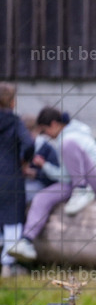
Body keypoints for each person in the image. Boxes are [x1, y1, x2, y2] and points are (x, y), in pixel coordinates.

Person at [8, 108, 96, 264]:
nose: (46, 136)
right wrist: (44, 167)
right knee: (42, 197)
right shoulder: (62, 140)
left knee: (68, 143)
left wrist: (80, 185)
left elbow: (87, 168)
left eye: (45, 131)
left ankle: (81, 191)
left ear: (54, 124)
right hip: (75, 182)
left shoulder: (71, 137)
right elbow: (64, 175)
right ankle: (26, 241)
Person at [0, 84, 34, 277]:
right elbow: (29, 144)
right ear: (13, 102)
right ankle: (8, 265)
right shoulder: (14, 122)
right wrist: (24, 159)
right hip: (10, 175)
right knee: (13, 219)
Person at [21, 114, 60, 203]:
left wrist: (36, 174)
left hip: (40, 184)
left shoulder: (46, 149)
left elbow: (55, 178)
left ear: (37, 131)